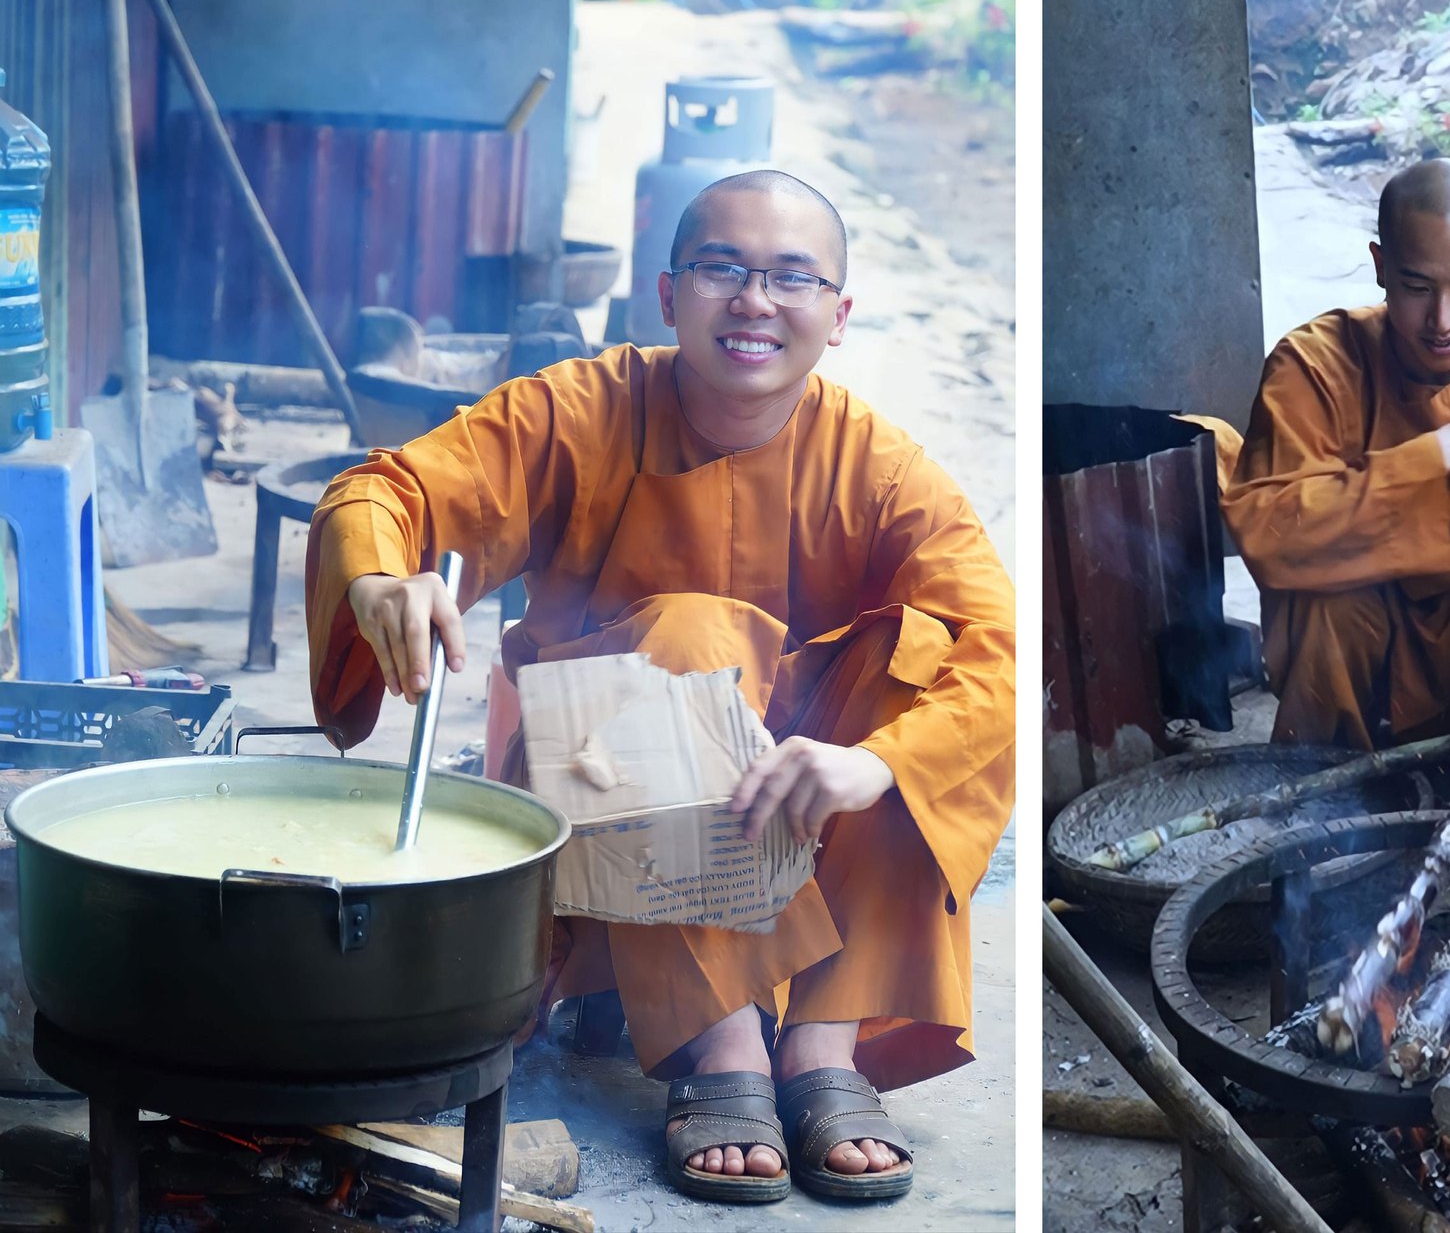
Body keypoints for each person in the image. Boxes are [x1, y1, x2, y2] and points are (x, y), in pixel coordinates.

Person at [305, 170, 1015, 1204]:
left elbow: (993, 645)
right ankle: (720, 1041)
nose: (754, 300)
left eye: (790, 277)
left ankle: (824, 1039)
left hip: (813, 820)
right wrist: (377, 576)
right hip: (605, 797)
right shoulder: (577, 411)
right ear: (666, 291)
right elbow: (387, 488)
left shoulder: (880, 466)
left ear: (839, 312)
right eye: (722, 268)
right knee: (688, 629)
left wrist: (873, 760)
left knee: (928, 665)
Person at [1221, 157, 1450, 754]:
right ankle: (1322, 785)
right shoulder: (1314, 365)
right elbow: (1271, 537)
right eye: (1417, 287)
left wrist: (1364, 525)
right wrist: (1431, 459)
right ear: (1380, 267)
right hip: (1359, 642)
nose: (1442, 321)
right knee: (1324, 601)